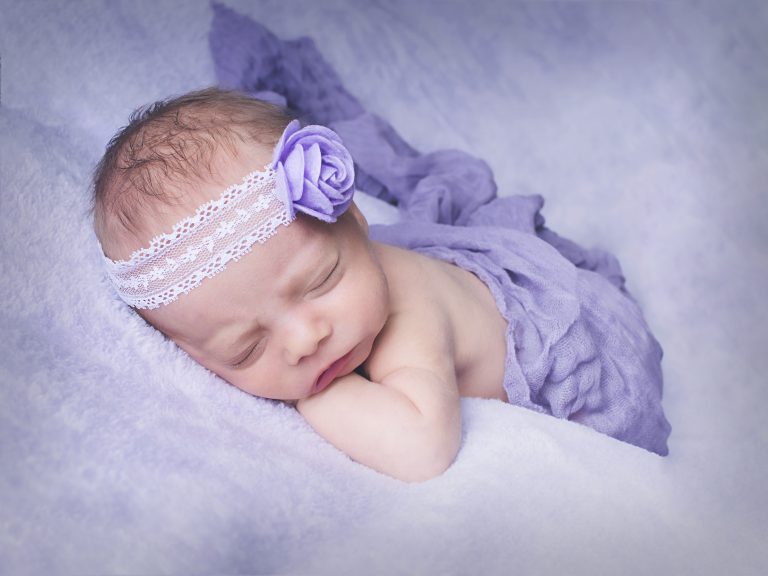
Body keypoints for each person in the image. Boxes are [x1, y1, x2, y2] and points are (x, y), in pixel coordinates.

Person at [91, 87, 670, 482]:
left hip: (577, 343)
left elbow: (422, 451)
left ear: (357, 220)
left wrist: (316, 393)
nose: (304, 340)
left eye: (321, 281)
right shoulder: (319, 301)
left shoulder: (406, 320)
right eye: (246, 348)